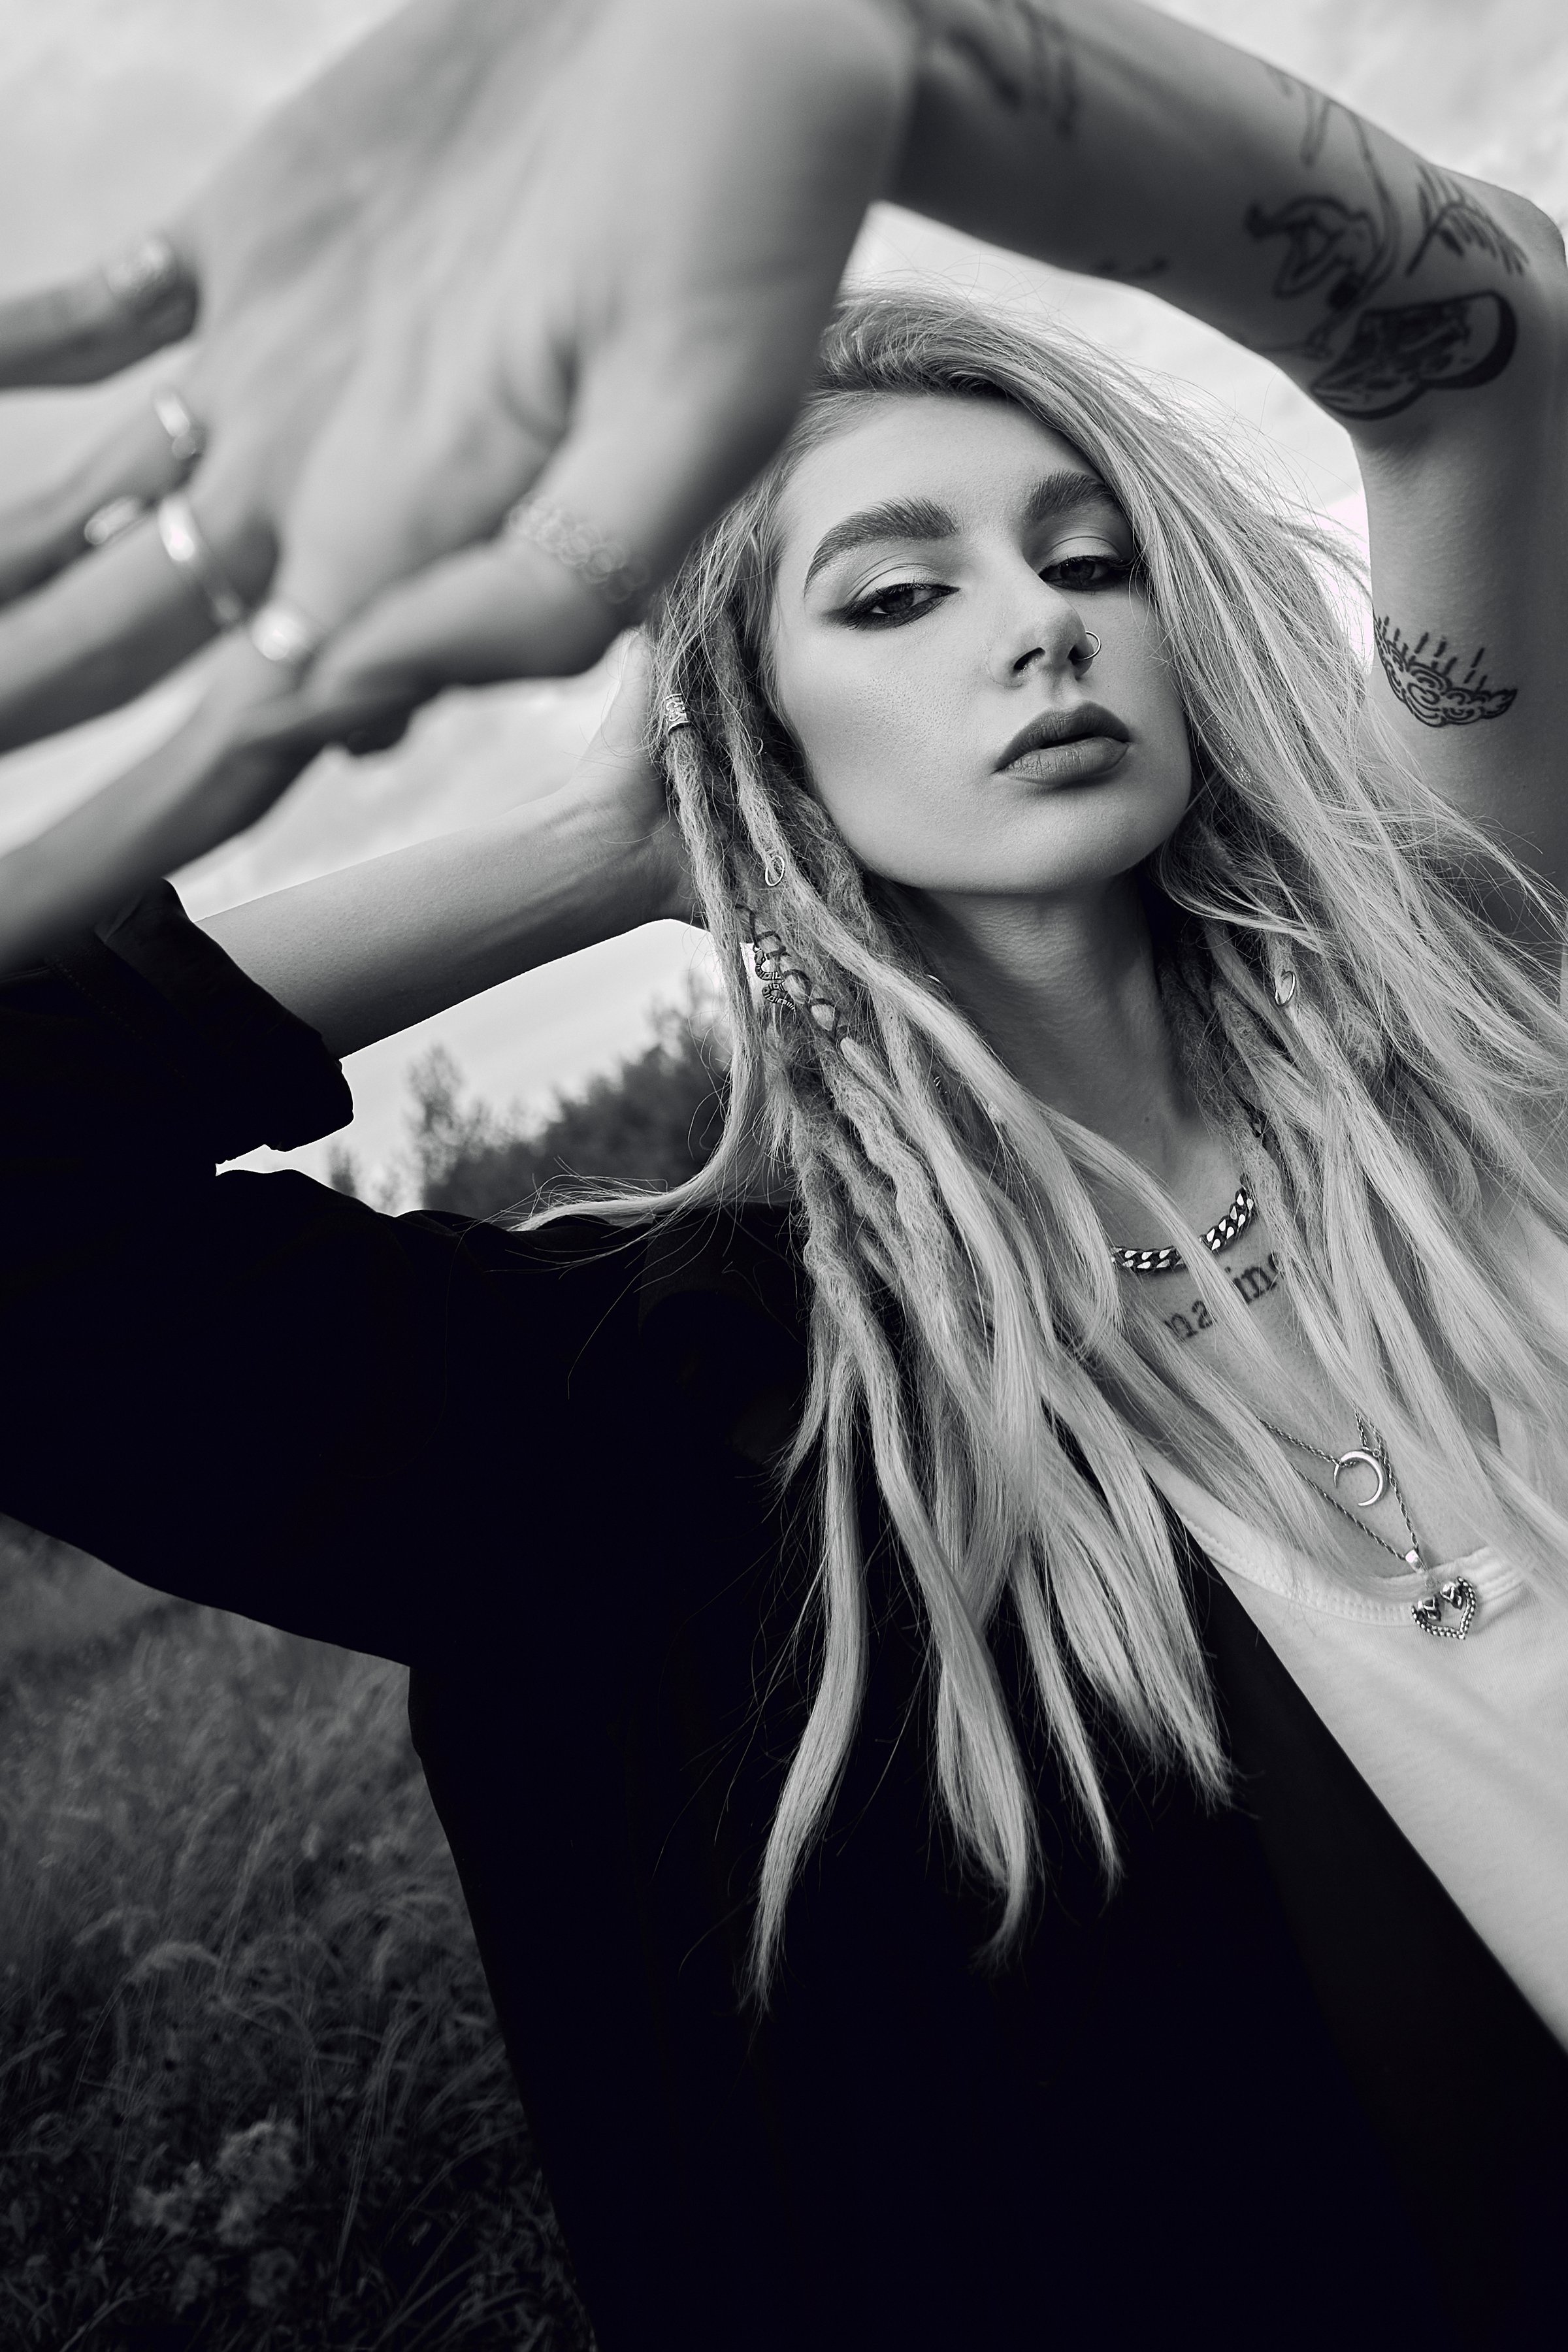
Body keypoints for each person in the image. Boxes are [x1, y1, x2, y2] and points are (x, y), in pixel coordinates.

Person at [4, 5, 1567, 2347]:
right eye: (893, 593)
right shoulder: (668, 1420)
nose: (1042, 615)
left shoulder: (1490, 1060)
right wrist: (614, 838)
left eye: (1085, 553)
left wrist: (888, 50)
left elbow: (1481, 354)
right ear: (756, 743)